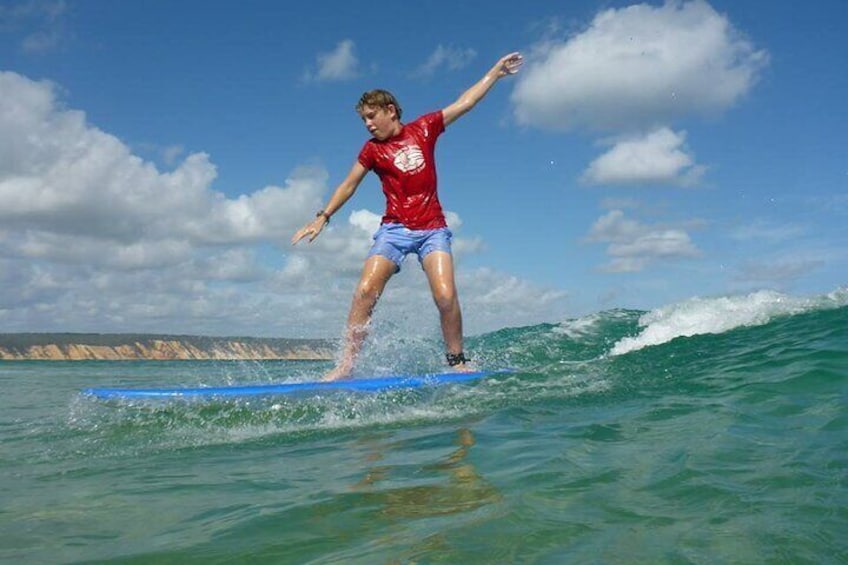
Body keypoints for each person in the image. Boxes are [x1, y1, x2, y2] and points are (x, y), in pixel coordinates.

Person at [292, 52, 524, 381]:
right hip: (394, 229)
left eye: (372, 116)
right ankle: (346, 365)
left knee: (445, 295)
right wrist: (323, 216)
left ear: (391, 111)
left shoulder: (424, 129)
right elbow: (349, 184)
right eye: (364, 120)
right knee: (365, 292)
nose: (369, 124)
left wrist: (495, 73)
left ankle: (456, 360)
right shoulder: (372, 149)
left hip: (432, 228)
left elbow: (464, 103)